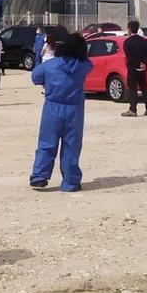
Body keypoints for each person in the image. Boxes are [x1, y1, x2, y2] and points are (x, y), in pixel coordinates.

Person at [29, 33, 94, 192]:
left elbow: (35, 77)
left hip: (52, 107)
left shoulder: (51, 65)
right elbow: (89, 63)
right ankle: (70, 181)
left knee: (47, 142)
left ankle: (40, 175)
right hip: (74, 109)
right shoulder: (84, 65)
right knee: (72, 146)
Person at [121, 21, 147, 117]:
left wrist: (138, 64)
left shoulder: (127, 42)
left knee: (133, 89)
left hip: (133, 69)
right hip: (143, 69)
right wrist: (144, 64)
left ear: (129, 29)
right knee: (144, 89)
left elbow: (129, 57)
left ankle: (133, 109)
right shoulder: (143, 41)